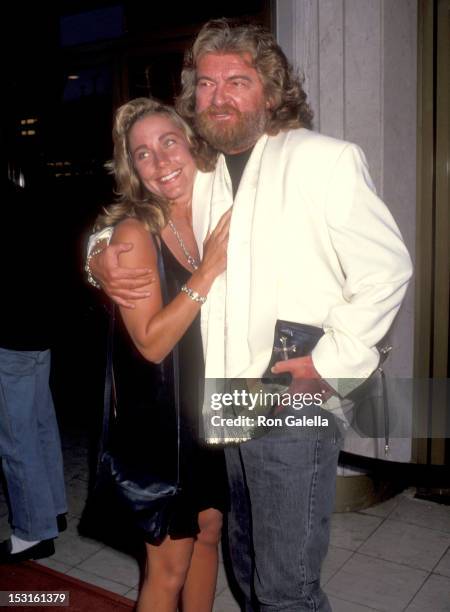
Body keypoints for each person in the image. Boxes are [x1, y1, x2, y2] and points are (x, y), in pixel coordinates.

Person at [88, 19, 413, 612]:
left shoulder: (324, 160)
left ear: (270, 90)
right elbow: (143, 212)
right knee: (245, 559)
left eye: (237, 81)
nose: (220, 96)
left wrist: (330, 365)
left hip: (293, 395)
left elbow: (387, 271)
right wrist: (96, 257)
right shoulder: (203, 169)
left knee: (286, 587)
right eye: (207, 84)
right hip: (226, 399)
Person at [92, 97, 230, 612]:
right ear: (132, 168)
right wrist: (206, 272)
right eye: (142, 153)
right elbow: (150, 343)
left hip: (212, 404)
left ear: (193, 142)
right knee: (167, 566)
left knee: (210, 530)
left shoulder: (222, 207)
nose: (160, 160)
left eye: (168, 141)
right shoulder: (133, 233)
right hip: (160, 424)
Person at [0, 178, 67, 564]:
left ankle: (32, 532)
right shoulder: (27, 199)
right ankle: (52, 510)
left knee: (16, 440)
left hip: (10, 340)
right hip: (39, 334)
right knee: (41, 427)